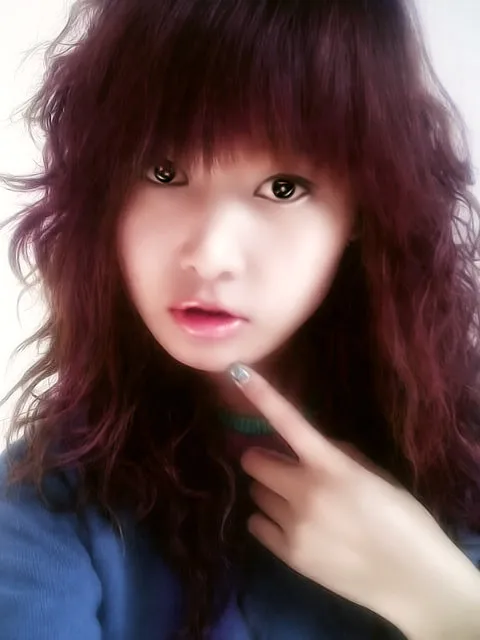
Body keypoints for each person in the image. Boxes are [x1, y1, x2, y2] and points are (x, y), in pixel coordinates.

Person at [1, 0, 480, 638]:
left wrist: (441, 600)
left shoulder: (459, 442)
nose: (210, 255)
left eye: (283, 187)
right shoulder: (52, 496)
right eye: (164, 172)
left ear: (364, 209)